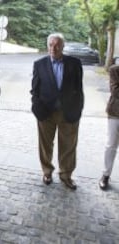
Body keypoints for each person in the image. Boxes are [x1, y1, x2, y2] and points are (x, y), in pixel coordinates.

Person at [30, 33, 84, 190]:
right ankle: (47, 171)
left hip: (68, 112)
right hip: (45, 113)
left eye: (57, 45)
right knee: (45, 145)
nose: (54, 48)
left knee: (68, 146)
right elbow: (35, 90)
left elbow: (78, 89)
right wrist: (36, 108)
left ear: (63, 46)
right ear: (47, 46)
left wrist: (78, 109)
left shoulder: (75, 63)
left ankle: (66, 175)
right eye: (51, 45)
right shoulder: (39, 64)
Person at [99, 64, 119, 190]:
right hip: (116, 113)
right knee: (111, 145)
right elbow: (116, 91)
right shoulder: (115, 70)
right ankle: (105, 175)